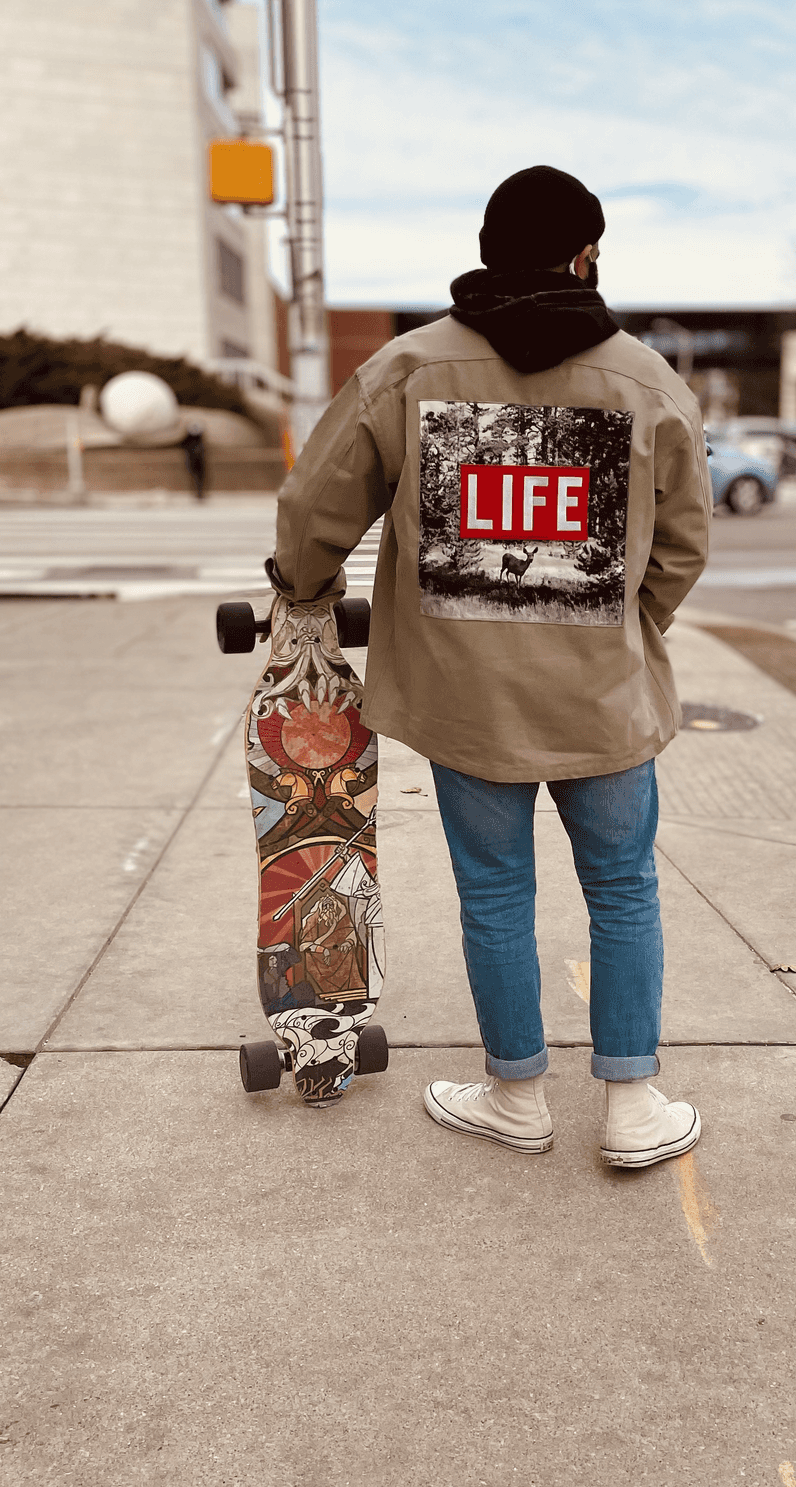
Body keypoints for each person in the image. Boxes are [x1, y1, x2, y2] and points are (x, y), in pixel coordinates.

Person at [270, 165, 710, 1169]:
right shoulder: (645, 379)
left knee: (498, 895)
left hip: (466, 697)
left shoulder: (410, 367)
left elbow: (316, 505)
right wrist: (630, 626)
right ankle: (634, 1104)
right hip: (602, 698)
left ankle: (516, 1094)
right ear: (585, 254)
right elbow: (683, 542)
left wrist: (299, 589)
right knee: (624, 890)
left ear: (484, 249)